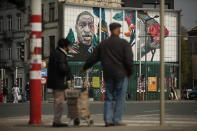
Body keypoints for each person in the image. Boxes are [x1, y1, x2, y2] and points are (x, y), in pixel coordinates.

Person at [80, 23, 133, 127]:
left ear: (110, 30)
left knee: (108, 97)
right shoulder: (124, 43)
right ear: (117, 30)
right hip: (121, 74)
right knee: (120, 98)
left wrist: (85, 67)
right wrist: (129, 72)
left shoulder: (103, 44)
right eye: (119, 29)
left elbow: (93, 57)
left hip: (108, 74)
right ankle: (117, 120)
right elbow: (128, 59)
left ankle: (108, 120)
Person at [47, 38, 73, 127]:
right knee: (59, 102)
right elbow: (62, 68)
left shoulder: (56, 53)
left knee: (58, 101)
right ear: (65, 46)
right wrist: (68, 70)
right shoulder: (60, 55)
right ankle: (57, 121)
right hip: (58, 81)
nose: (69, 47)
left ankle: (57, 120)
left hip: (55, 81)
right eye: (69, 46)